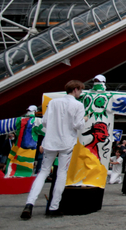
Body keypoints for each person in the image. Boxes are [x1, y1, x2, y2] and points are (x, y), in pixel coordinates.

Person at [21, 80, 86, 220]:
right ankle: (53, 207)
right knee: (61, 173)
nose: (80, 93)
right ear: (75, 89)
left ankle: (29, 203)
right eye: (80, 90)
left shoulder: (53, 103)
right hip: (66, 142)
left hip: (50, 141)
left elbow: (44, 122)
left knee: (43, 172)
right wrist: (85, 119)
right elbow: (77, 125)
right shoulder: (78, 105)